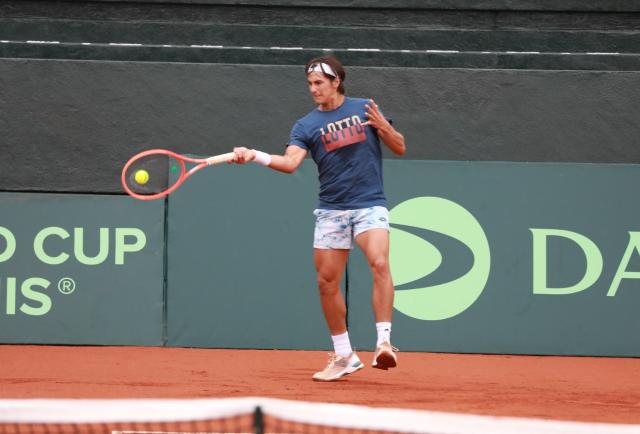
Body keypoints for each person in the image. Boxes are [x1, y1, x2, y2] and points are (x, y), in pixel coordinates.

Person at [232, 55, 406, 381]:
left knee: (380, 262)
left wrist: (383, 126)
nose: (313, 89)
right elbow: (289, 163)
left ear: (336, 82)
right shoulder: (306, 125)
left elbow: (399, 146)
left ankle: (384, 342)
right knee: (326, 282)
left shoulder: (365, 108)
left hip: (369, 204)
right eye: (310, 84)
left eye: (319, 83)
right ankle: (344, 356)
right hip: (331, 210)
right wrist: (254, 155)